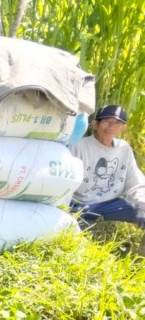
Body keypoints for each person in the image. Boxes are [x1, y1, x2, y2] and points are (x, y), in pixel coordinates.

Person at [68, 104, 145, 253]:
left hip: (109, 204)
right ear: (95, 124)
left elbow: (135, 181)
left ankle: (141, 258)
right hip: (80, 204)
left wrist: (142, 204)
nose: (111, 127)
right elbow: (65, 181)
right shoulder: (79, 146)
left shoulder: (124, 148)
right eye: (107, 121)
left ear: (123, 128)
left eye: (117, 123)